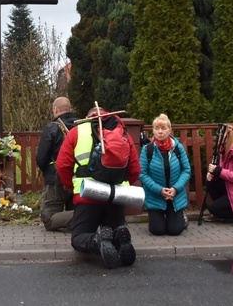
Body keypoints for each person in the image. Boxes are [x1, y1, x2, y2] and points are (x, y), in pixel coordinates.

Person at [55, 107, 141, 269]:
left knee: (79, 237)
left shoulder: (77, 131)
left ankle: (98, 240)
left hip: (88, 195)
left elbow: (62, 165)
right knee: (116, 228)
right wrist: (122, 184)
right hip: (115, 196)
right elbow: (135, 168)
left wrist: (71, 186)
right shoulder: (122, 132)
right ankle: (120, 237)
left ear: (87, 117)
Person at [139, 113, 191, 236]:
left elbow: (186, 170)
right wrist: (159, 190)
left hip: (175, 197)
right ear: (153, 131)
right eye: (156, 129)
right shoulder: (147, 150)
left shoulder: (178, 148)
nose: (160, 132)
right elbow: (142, 174)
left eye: (163, 128)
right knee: (157, 231)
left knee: (175, 231)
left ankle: (181, 217)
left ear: (170, 130)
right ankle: (158, 219)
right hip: (156, 196)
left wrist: (175, 189)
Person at [36, 96, 78, 231]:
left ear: (55, 109)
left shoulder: (52, 128)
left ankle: (84, 217)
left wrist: (48, 172)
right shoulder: (82, 126)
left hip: (56, 177)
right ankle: (84, 217)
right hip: (79, 176)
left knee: (49, 218)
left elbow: (41, 158)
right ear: (69, 109)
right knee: (75, 205)